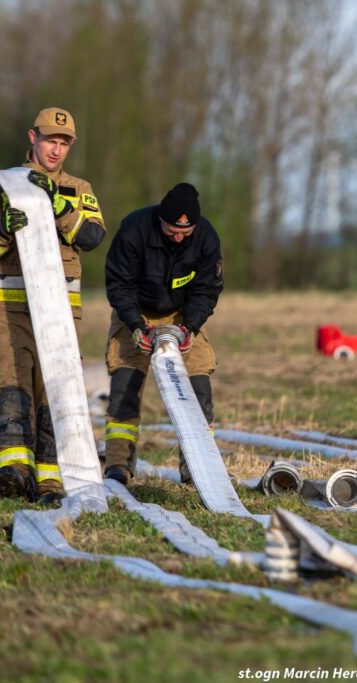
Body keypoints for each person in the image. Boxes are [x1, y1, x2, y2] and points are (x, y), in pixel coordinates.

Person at [0, 107, 106, 503]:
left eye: (64, 143)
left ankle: (49, 479)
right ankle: (14, 472)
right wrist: (3, 229)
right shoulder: (2, 185)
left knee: (55, 388)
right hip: (8, 307)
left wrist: (61, 209)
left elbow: (93, 236)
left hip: (60, 310)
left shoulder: (79, 188)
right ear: (32, 137)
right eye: (51, 140)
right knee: (10, 381)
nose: (57, 149)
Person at [102, 183, 223, 485]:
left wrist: (190, 327)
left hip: (182, 316)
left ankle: (197, 466)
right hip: (136, 312)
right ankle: (118, 464)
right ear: (160, 220)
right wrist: (135, 325)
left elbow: (207, 290)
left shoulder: (206, 237)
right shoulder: (134, 229)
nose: (179, 237)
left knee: (198, 387)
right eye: (172, 231)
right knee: (124, 387)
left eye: (186, 232)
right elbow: (119, 285)